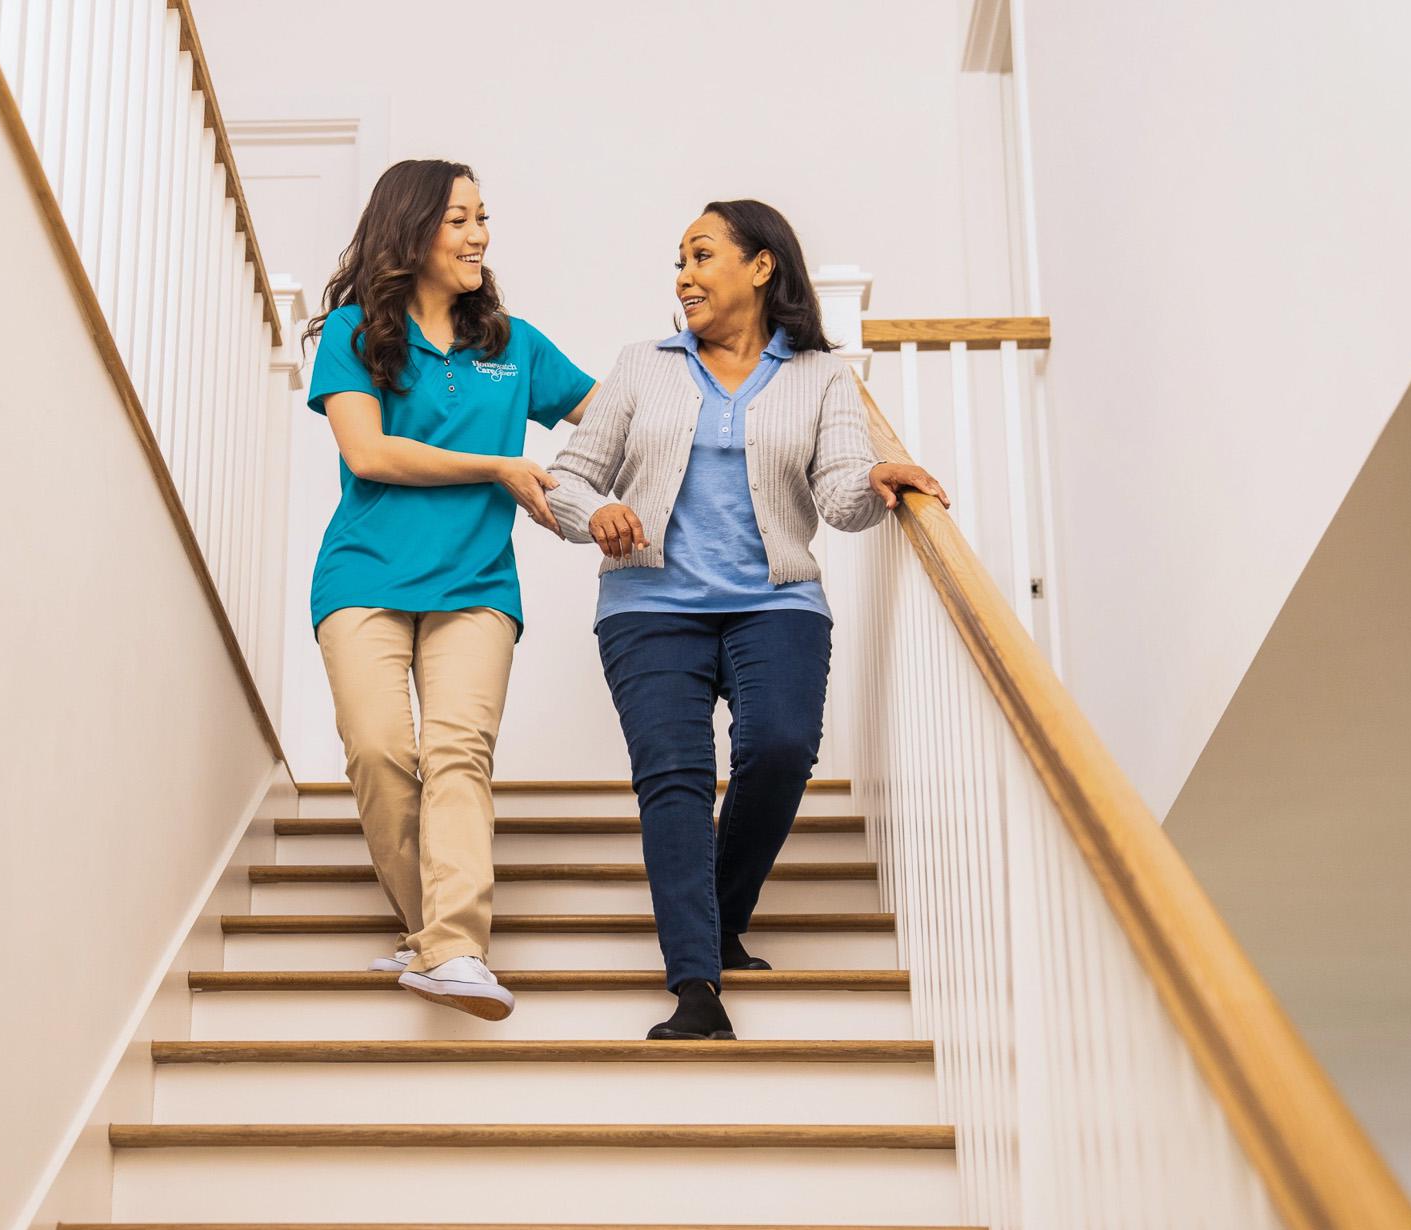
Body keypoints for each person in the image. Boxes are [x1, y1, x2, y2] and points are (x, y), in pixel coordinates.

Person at [546, 199, 947, 1040]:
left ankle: (723, 913)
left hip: (776, 602)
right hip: (650, 606)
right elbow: (570, 480)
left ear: (761, 267)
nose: (684, 277)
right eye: (678, 263)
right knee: (676, 780)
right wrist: (597, 516)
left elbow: (837, 497)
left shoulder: (821, 376)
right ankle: (696, 984)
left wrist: (880, 479)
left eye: (701, 256)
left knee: (782, 748)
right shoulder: (641, 365)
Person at [305, 159, 598, 1021]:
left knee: (458, 753)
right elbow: (369, 453)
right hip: (364, 574)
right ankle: (427, 931)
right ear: (413, 229)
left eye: (483, 218)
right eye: (461, 220)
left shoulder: (513, 345)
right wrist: (500, 467)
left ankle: (456, 947)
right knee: (381, 751)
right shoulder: (355, 332)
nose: (480, 236)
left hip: (476, 585)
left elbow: (613, 416)